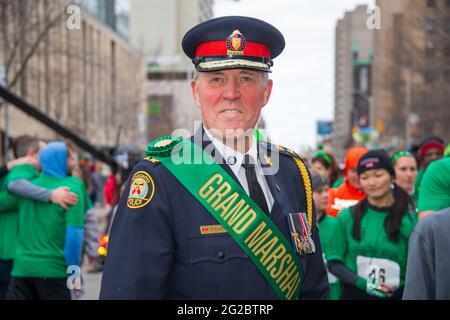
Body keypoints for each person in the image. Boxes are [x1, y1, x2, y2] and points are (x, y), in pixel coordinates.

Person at [100, 16, 329, 300]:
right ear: (196, 92)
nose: (231, 94)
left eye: (246, 78)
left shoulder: (294, 174)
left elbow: (314, 290)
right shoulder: (161, 180)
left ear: (266, 92)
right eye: (216, 79)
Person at [327, 149, 417, 300]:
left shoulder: (409, 220)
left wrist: (399, 289)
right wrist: (364, 284)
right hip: (355, 294)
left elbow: (417, 267)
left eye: (378, 175)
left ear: (392, 177)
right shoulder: (347, 217)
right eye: (365, 177)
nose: (372, 182)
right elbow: (333, 262)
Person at [6, 142, 87, 300]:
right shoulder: (72, 188)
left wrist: (16, 165)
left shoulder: (28, 189)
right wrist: (74, 277)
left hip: (22, 271)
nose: (73, 162)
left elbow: (10, 185)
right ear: (60, 160)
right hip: (53, 273)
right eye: (70, 158)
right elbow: (74, 239)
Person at [311, 171, 341, 300]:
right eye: (319, 191)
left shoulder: (337, 224)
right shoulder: (298, 226)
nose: (325, 195)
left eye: (326, 190)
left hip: (334, 292)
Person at [326, 146, 368, 217]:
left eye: (362, 170)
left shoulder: (377, 196)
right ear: (346, 171)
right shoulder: (332, 195)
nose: (357, 175)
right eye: (353, 170)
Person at [414, 135, 445, 200]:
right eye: (429, 155)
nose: (434, 157)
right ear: (422, 158)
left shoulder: (447, 174)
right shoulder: (416, 178)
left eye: (438, 153)